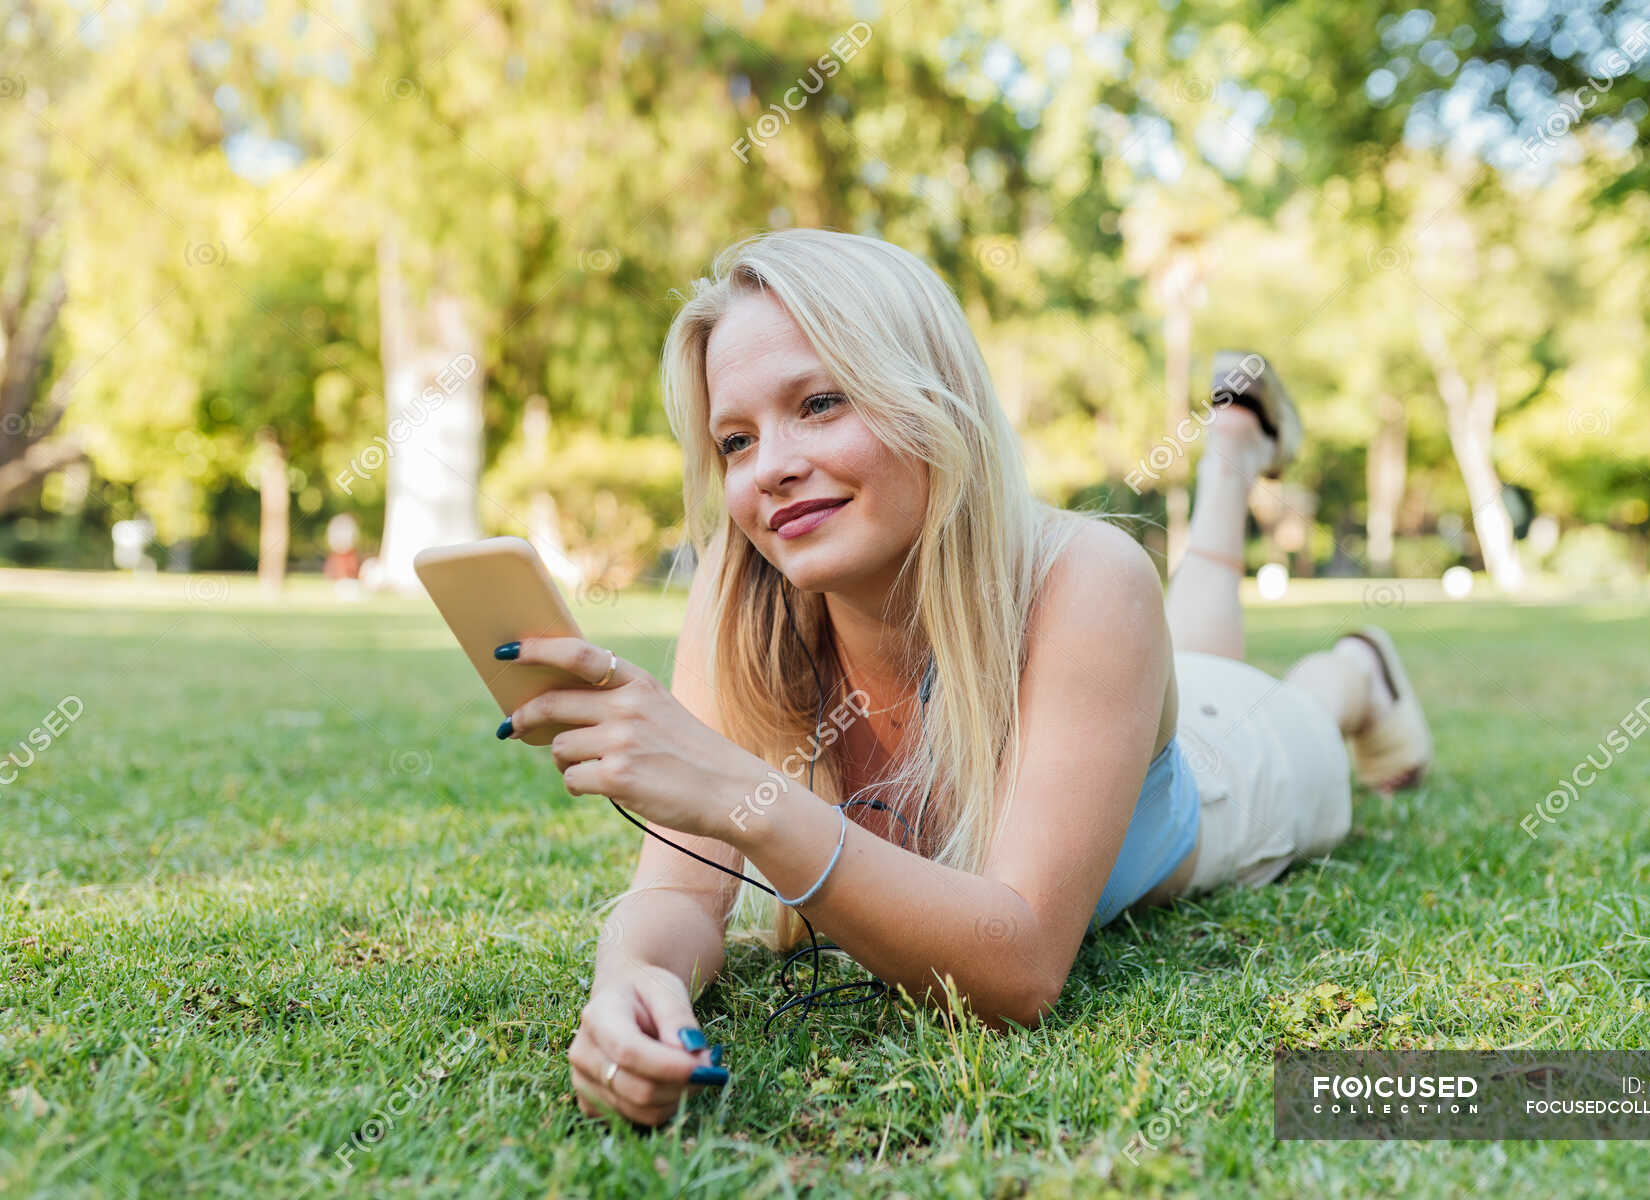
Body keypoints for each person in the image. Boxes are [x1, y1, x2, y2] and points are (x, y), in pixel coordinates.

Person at [492, 229, 1433, 1127]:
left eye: (820, 403)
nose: (771, 469)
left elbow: (1017, 971)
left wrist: (745, 793)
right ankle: (1234, 447)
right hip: (1127, 697)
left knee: (1276, 694)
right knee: (1195, 658)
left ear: (930, 399)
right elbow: (676, 895)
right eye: (735, 441)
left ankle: (1352, 659)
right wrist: (633, 980)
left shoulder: (1088, 578)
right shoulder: (744, 600)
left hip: (1242, 769)